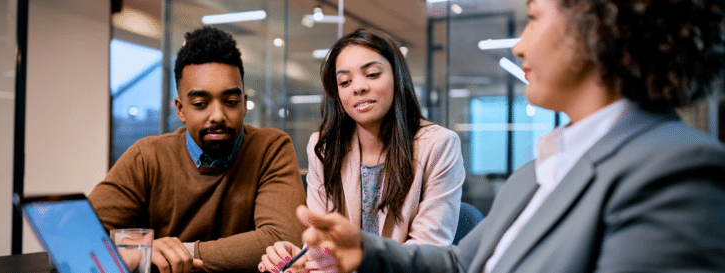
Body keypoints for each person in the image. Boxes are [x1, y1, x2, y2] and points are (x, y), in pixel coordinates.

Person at [296, 0, 725, 272]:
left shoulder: (677, 170)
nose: (519, 46)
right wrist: (365, 251)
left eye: (534, 17)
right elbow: (460, 261)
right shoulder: (536, 172)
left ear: (596, 26)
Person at [88, 26, 306, 273]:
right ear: (181, 109)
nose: (218, 115)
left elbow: (281, 241)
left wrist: (179, 254)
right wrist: (138, 249)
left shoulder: (270, 148)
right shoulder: (147, 157)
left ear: (244, 104)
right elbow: (78, 236)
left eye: (231, 102)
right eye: (201, 104)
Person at [258, 28, 466, 273]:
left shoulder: (439, 145)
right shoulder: (324, 148)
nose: (358, 88)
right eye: (345, 82)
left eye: (372, 74)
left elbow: (429, 253)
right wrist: (302, 258)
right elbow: (323, 243)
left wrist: (354, 261)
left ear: (397, 77)